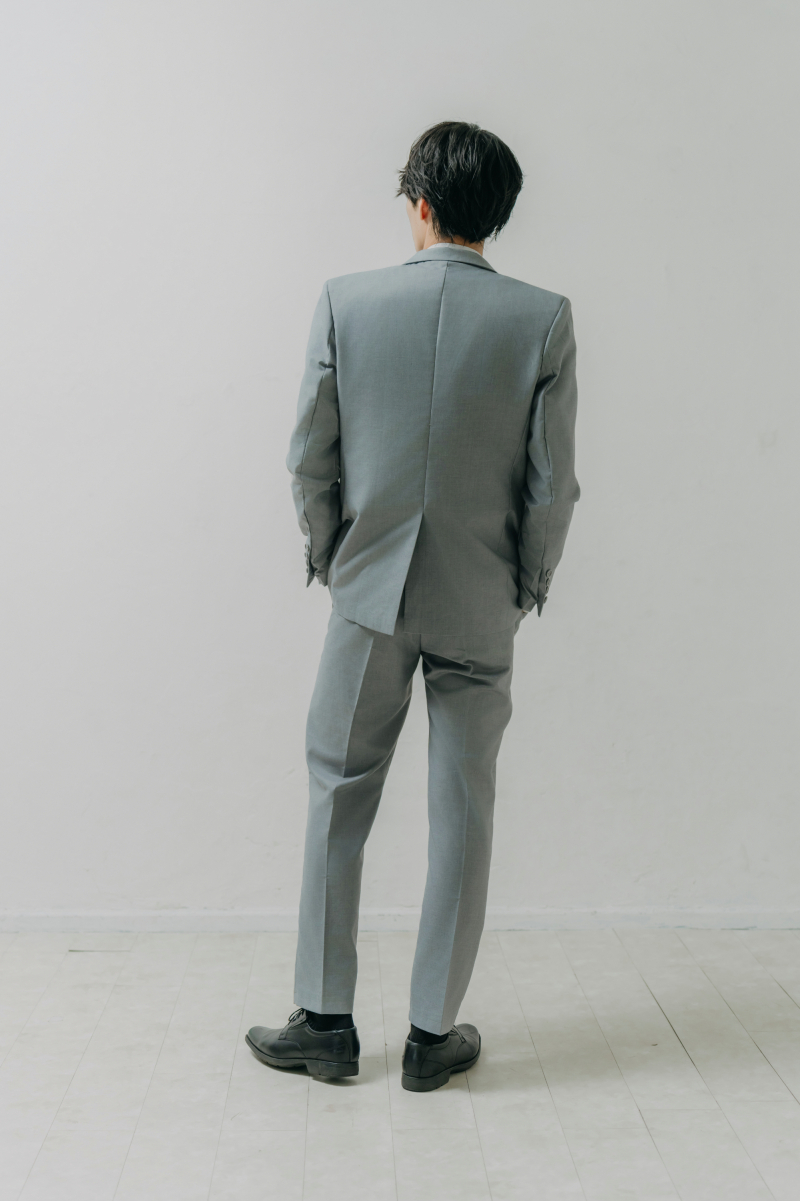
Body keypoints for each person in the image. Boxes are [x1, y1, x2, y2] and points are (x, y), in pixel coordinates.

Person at [247, 121, 579, 1092]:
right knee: (463, 807)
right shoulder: (543, 318)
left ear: (419, 204)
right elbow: (551, 485)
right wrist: (525, 583)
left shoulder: (346, 303)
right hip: (479, 597)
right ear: (495, 215)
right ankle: (433, 1035)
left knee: (336, 788)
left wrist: (334, 558)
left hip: (370, 595)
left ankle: (324, 1021)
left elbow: (308, 456)